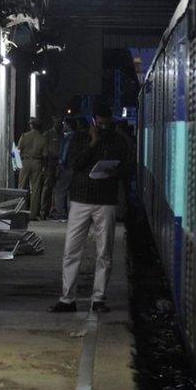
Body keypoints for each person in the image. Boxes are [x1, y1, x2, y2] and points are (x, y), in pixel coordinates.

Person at [48, 104, 131, 314]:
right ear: (93, 120)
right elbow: (75, 164)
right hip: (81, 199)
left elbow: (128, 167)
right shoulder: (80, 138)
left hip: (106, 200)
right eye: (99, 122)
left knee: (104, 252)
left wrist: (114, 171)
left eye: (106, 122)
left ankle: (98, 299)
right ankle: (67, 299)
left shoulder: (118, 140)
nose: (103, 126)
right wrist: (92, 143)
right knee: (71, 250)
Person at [17, 118, 47, 219]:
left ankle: (20, 211)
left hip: (25, 162)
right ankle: (32, 214)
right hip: (37, 162)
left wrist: (17, 164)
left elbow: (18, 150)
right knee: (36, 189)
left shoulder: (24, 136)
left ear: (31, 125)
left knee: (21, 187)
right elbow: (45, 154)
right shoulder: (42, 138)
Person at [50, 117, 78, 220]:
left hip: (66, 168)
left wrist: (61, 163)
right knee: (70, 192)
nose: (63, 126)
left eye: (64, 124)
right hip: (74, 168)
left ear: (69, 125)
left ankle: (61, 213)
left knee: (59, 191)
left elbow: (65, 152)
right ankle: (71, 214)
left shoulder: (68, 138)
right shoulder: (77, 137)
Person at [39, 117, 62, 219]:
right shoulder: (48, 134)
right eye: (57, 122)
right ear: (53, 123)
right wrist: (45, 165)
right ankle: (43, 211)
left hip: (59, 163)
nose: (59, 124)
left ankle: (52, 211)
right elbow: (44, 150)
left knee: (56, 188)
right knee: (47, 187)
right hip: (49, 163)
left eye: (60, 122)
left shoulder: (61, 135)